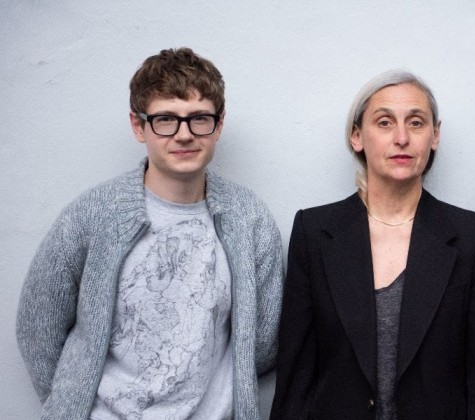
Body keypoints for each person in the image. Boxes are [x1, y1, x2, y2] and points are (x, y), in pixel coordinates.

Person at [16, 48, 284, 420]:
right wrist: (70, 404)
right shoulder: (93, 213)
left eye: (199, 118)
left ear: (219, 124)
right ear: (138, 125)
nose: (184, 135)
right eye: (166, 119)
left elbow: (263, 342)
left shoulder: (249, 217)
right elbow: (38, 328)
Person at [270, 70, 475, 420]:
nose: (402, 138)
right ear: (356, 136)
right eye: (384, 122)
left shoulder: (471, 237)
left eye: (416, 123)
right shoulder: (315, 233)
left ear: (435, 135)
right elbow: (296, 376)